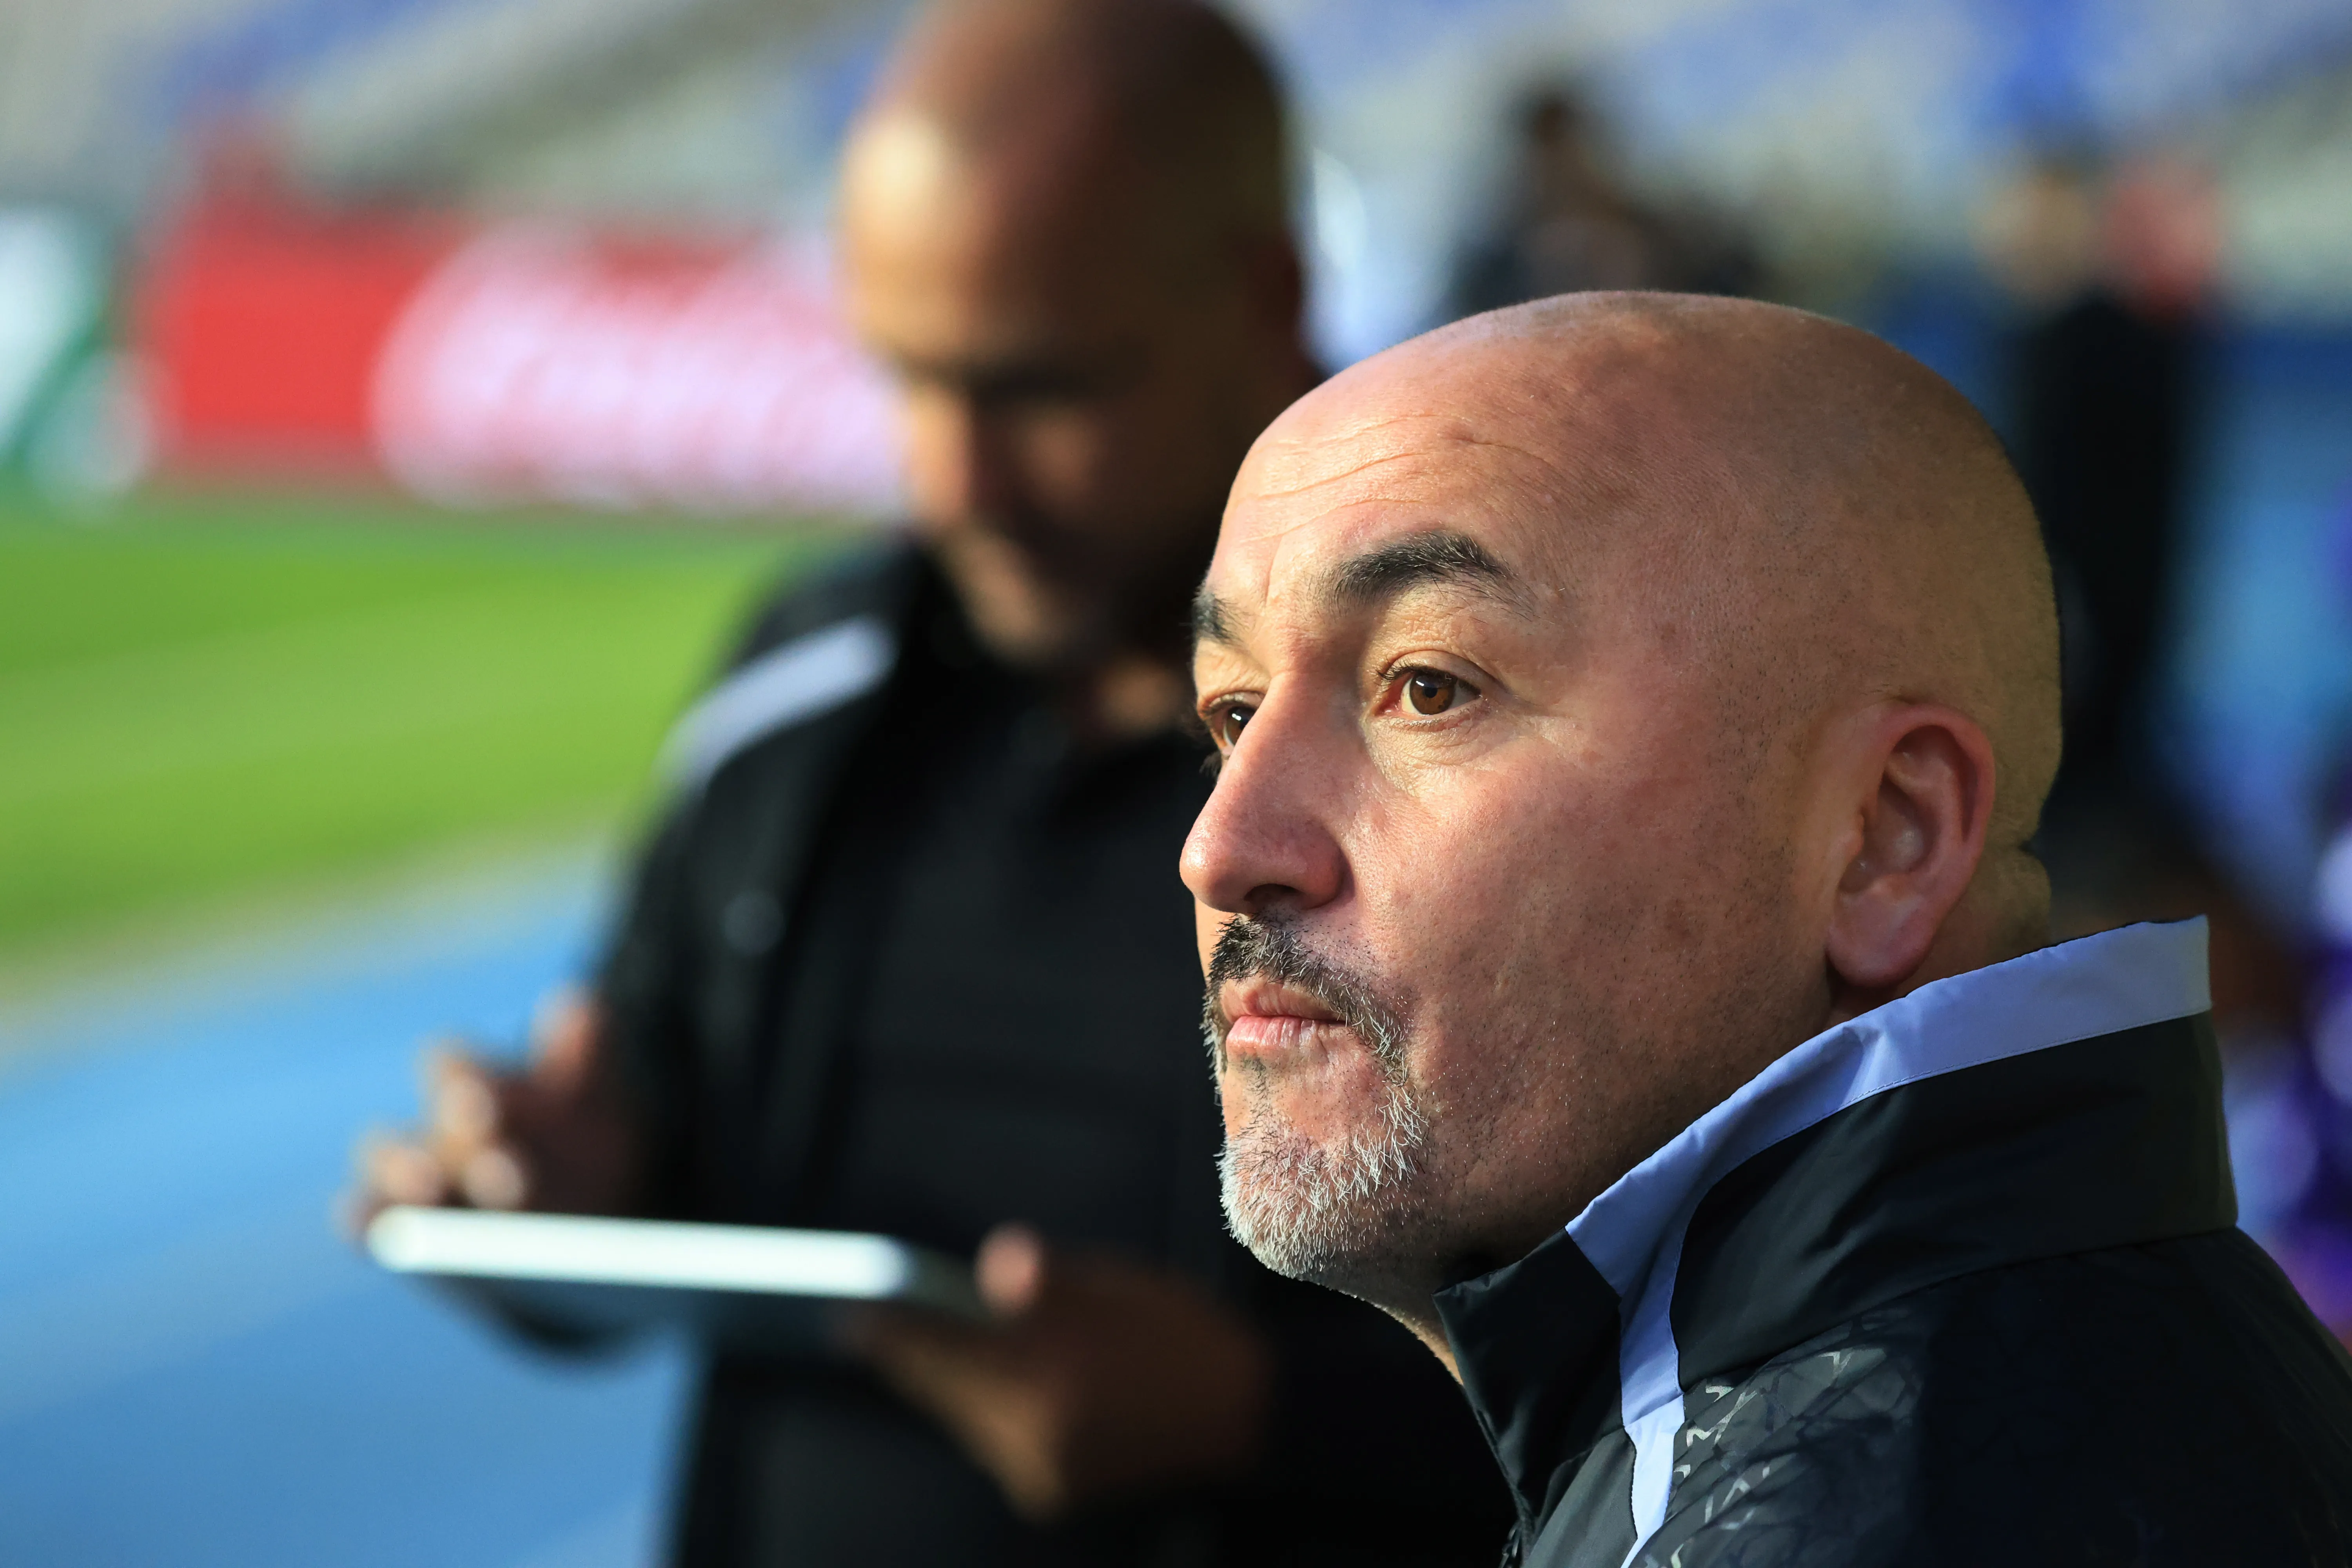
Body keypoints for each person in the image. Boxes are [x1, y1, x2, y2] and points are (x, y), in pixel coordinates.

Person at [351, 1, 1510, 1564]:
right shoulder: (805, 685)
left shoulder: (1473, 743)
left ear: (1267, 297)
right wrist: (573, 1195)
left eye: (1039, 388)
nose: (955, 479)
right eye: (910, 380)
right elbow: (657, 1122)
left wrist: (1258, 1414)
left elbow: (1704, 1368)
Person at [1182, 292, 2352, 1564]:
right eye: (1232, 714)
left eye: (1427, 687)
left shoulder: (1870, 1512)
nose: (1223, 850)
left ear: (1885, 839)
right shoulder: (2043, 1381)